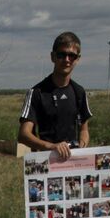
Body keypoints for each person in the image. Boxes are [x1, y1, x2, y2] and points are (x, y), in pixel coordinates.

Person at [18, 31, 91, 160]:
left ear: (77, 59)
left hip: (72, 161)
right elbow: (24, 134)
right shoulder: (36, 93)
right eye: (61, 55)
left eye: (72, 56)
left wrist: (81, 147)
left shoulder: (79, 92)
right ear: (53, 56)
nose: (66, 60)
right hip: (46, 161)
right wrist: (52, 146)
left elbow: (84, 130)